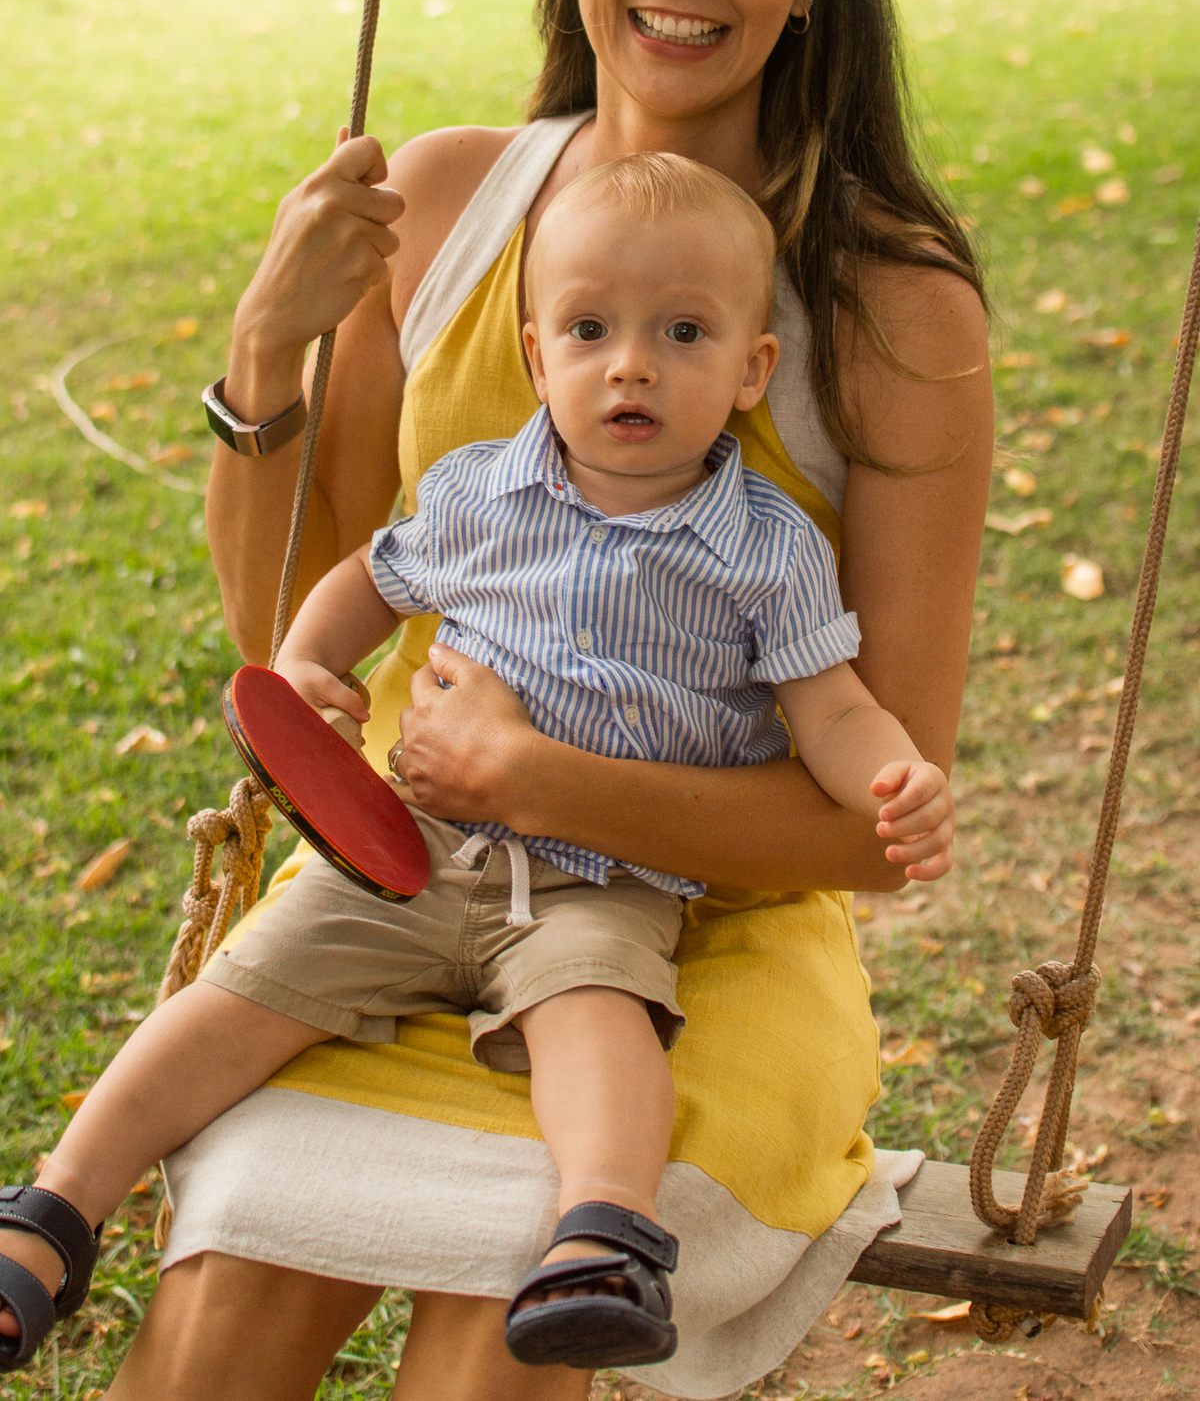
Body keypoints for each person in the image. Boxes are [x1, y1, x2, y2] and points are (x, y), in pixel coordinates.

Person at [37, 0, 989, 1400]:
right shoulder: (457, 203)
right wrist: (265, 357)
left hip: (702, 938)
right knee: (214, 1318)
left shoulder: (884, 298)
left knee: (500, 1338)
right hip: (401, 880)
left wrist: (538, 777)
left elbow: (866, 825)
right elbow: (298, 617)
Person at [0, 154, 956, 1377]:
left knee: (601, 1015)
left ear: (752, 367)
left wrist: (895, 777)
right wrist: (303, 665)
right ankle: (55, 1209)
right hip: (409, 851)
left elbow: (830, 708)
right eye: (591, 330)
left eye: (683, 333)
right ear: (536, 349)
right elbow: (368, 579)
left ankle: (602, 1233)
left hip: (601, 876)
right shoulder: (481, 493)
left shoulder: (763, 550)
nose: (633, 365)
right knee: (239, 991)